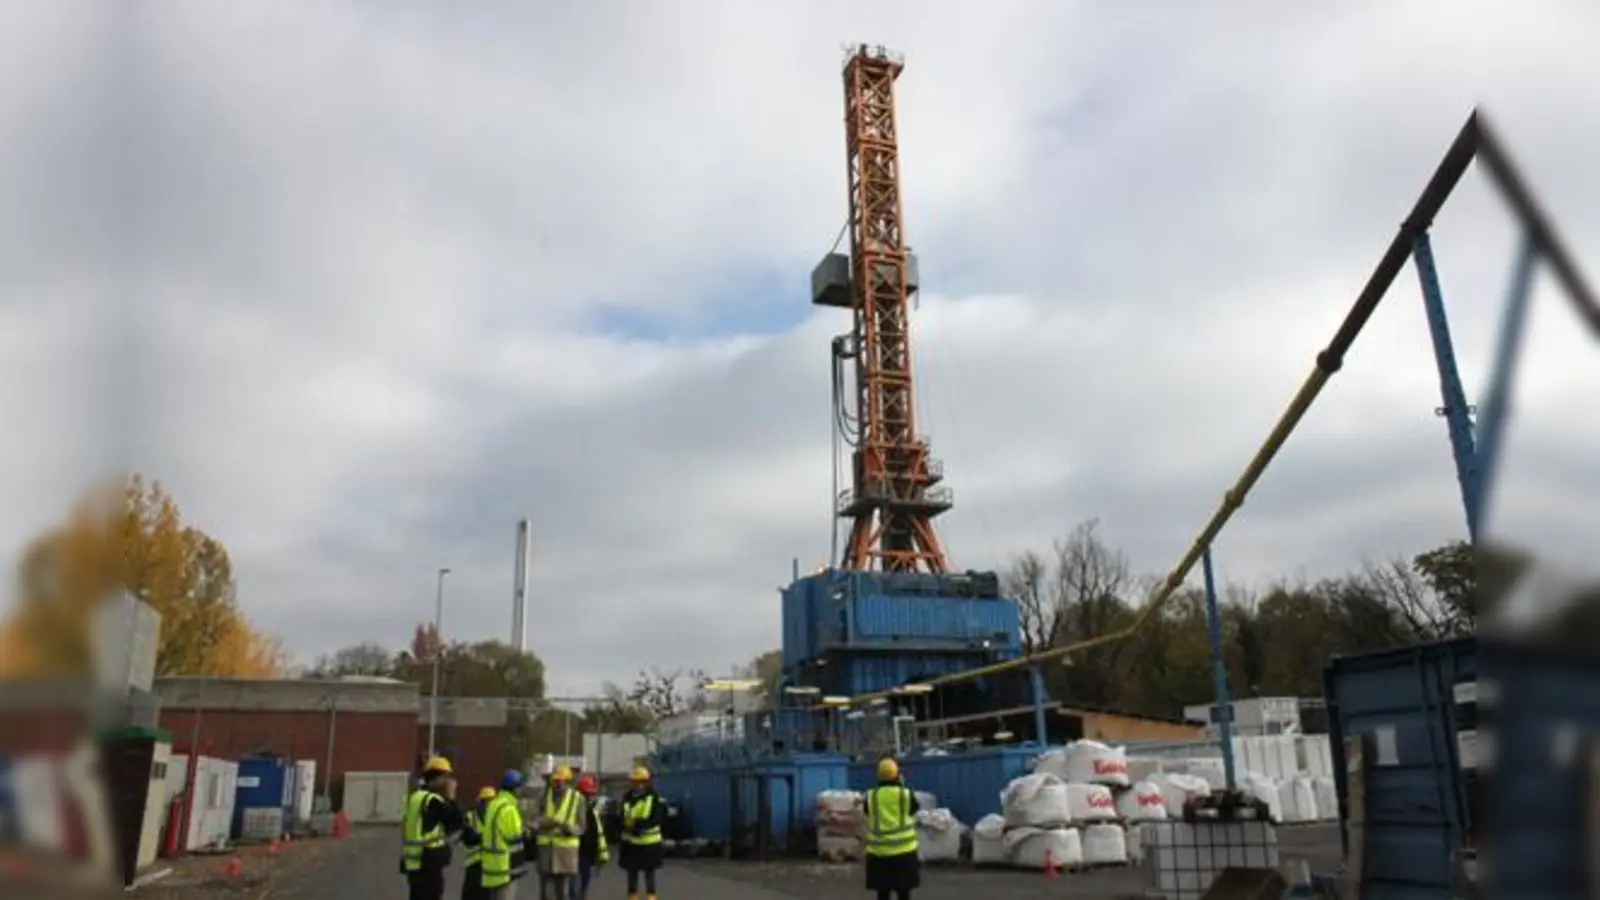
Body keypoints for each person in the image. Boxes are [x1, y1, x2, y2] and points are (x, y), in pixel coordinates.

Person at [400, 755, 465, 900]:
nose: (448, 782)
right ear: (437, 778)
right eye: (446, 777)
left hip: (414, 864)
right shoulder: (433, 801)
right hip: (428, 863)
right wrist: (451, 797)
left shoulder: (415, 797)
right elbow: (457, 821)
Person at [863, 757, 920, 900]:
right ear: (897, 774)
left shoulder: (872, 795)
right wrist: (902, 784)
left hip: (879, 853)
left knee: (882, 894)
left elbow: (867, 812)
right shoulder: (905, 793)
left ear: (878, 775)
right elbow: (914, 809)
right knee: (904, 893)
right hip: (905, 851)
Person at [534, 765, 585, 900]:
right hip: (546, 849)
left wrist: (569, 828)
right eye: (555, 780)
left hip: (566, 852)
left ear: (567, 781)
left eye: (561, 780)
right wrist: (545, 822)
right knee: (546, 894)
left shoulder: (577, 798)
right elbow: (533, 819)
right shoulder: (543, 795)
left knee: (563, 893)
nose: (557, 783)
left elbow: (582, 827)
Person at [480, 769, 529, 900]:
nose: (522, 790)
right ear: (515, 788)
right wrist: (527, 833)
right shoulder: (509, 809)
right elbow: (515, 839)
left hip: (490, 866)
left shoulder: (493, 804)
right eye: (520, 787)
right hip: (505, 867)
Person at [617, 765, 665, 900]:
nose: (638, 785)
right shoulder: (626, 798)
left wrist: (637, 825)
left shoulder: (654, 798)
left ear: (646, 782)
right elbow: (620, 818)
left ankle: (651, 897)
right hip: (630, 843)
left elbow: (656, 818)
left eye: (641, 781)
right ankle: (633, 897)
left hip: (650, 843)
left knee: (649, 875)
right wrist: (627, 827)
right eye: (635, 781)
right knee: (632, 875)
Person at [571, 774, 609, 900]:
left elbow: (598, 835)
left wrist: (602, 856)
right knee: (574, 885)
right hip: (574, 851)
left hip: (587, 854)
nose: (588, 797)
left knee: (583, 884)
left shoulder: (593, 812)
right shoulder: (572, 810)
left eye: (590, 794)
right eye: (586, 794)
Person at [459, 787, 498, 900]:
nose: (489, 804)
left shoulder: (496, 816)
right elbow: (467, 839)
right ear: (481, 802)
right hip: (474, 863)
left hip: (489, 862)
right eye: (487, 800)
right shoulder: (471, 816)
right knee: (471, 894)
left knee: (486, 894)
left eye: (491, 801)